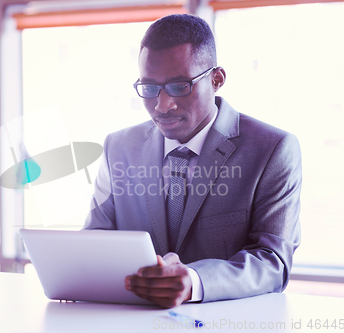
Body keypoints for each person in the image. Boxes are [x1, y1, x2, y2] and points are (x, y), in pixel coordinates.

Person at [84, 14, 301, 308]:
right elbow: (94, 243)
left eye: (179, 86)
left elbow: (273, 263)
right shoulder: (118, 147)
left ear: (217, 79)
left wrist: (194, 282)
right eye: (149, 89)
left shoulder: (273, 149)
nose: (162, 106)